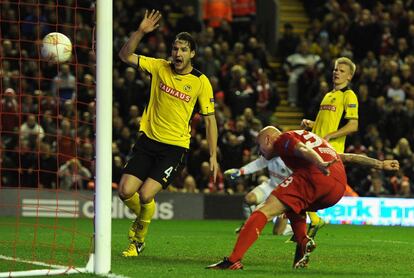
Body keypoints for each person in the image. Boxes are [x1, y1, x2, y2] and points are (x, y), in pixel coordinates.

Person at [207, 126, 399, 270]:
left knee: (265, 210)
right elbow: (346, 157)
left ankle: (233, 260)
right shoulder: (313, 139)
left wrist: (319, 162)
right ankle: (303, 241)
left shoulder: (283, 138)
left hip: (317, 175)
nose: (260, 152)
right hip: (337, 188)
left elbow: (301, 149)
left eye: (259, 146)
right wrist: (380, 164)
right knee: (293, 205)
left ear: (267, 139)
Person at [118, 10, 218, 257]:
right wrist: (141, 31)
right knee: (124, 191)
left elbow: (210, 121)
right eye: (175, 48)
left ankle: (137, 240)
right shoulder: (159, 67)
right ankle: (143, 216)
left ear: (192, 54)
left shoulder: (200, 82)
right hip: (148, 141)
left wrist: (213, 155)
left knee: (145, 194)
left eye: (183, 49)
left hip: (174, 148)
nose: (177, 53)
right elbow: (124, 55)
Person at [301, 57, 359, 239]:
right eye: (335, 69)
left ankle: (313, 220)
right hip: (316, 146)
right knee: (303, 184)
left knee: (303, 184)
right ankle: (309, 225)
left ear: (349, 76)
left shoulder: (349, 96)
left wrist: (330, 136)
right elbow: (323, 123)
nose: (336, 73)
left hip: (330, 150)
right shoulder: (328, 95)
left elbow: (353, 125)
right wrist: (311, 124)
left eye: (342, 71)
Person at [224, 155, 293, 236]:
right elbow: (258, 163)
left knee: (277, 233)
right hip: (271, 185)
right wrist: (240, 171)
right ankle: (249, 227)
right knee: (249, 199)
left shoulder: (291, 157)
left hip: (286, 193)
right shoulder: (271, 151)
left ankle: (290, 228)